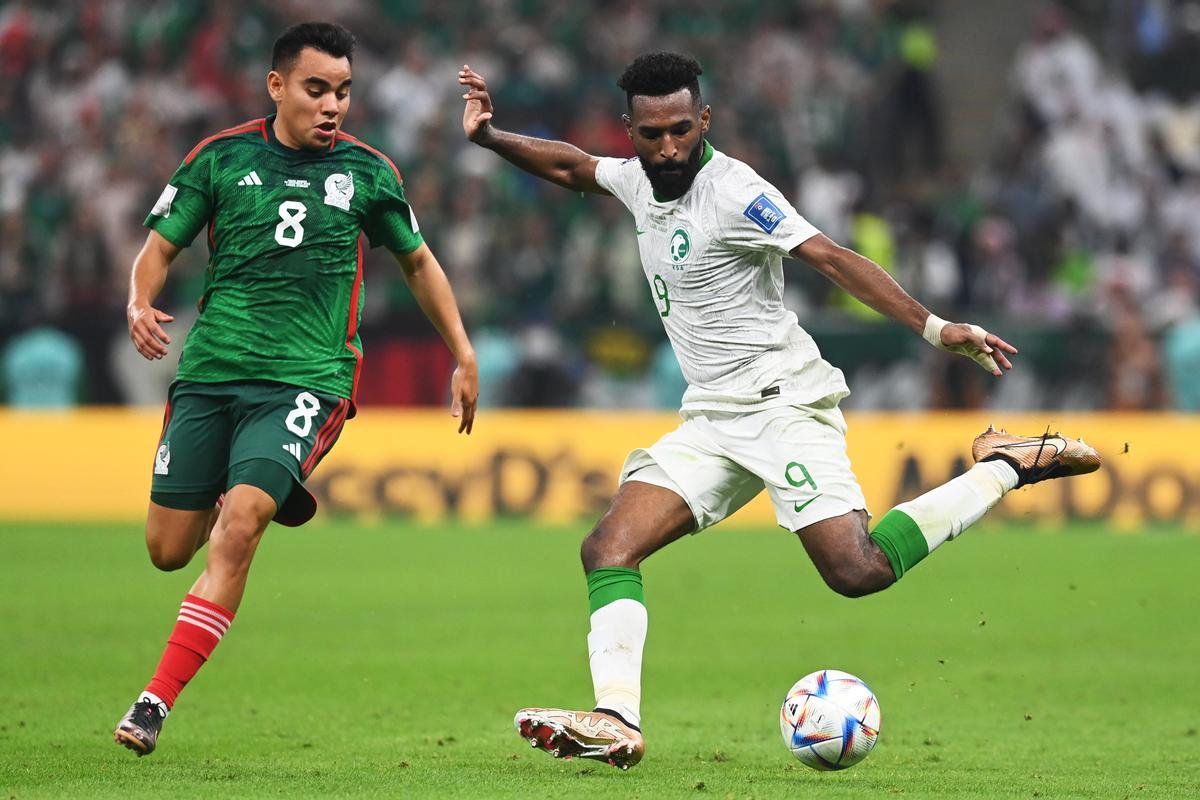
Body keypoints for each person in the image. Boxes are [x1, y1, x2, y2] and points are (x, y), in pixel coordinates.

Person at [459, 52, 1099, 770]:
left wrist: (935, 327)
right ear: (630, 130)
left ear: (704, 120)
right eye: (650, 134)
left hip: (783, 404)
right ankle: (618, 719)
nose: (667, 148)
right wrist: (490, 136)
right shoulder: (639, 179)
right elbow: (575, 168)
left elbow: (829, 256)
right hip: (712, 418)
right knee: (607, 549)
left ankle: (1005, 465)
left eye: (679, 129)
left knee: (856, 571)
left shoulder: (736, 192)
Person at [113, 22, 478, 757]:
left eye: (344, 91)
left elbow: (419, 264)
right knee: (165, 549)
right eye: (317, 89)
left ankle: (154, 701)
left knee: (241, 526)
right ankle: (242, 485)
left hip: (307, 378)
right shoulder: (218, 159)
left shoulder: (372, 173)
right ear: (277, 86)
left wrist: (463, 353)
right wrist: (138, 301)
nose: (333, 105)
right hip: (211, 372)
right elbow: (157, 251)